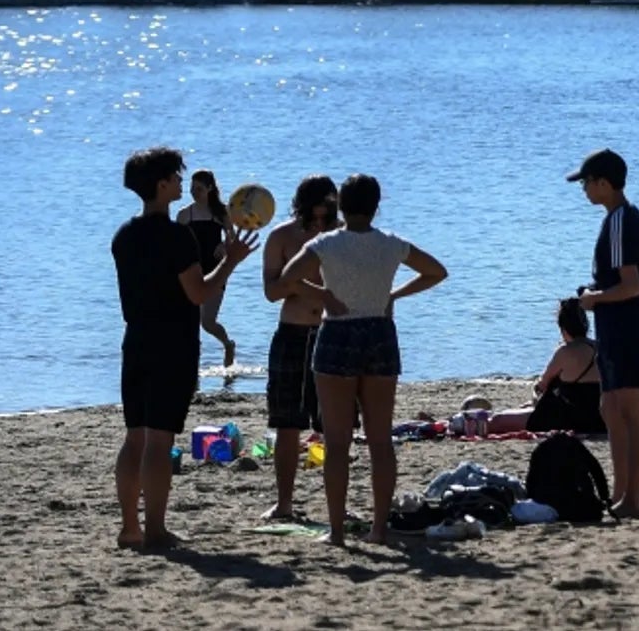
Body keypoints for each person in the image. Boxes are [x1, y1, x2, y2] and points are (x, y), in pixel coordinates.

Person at [278, 174, 448, 546]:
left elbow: (288, 277)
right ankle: (379, 529)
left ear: (341, 205)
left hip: (338, 333)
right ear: (376, 205)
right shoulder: (391, 243)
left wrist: (324, 295)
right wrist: (394, 295)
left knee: (337, 442)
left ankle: (337, 532)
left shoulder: (327, 243)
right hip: (380, 333)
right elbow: (436, 271)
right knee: (380, 440)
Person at [111, 147, 255, 550]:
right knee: (159, 440)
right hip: (171, 342)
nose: (180, 183)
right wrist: (231, 262)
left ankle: (129, 528)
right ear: (161, 184)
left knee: (134, 437)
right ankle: (155, 530)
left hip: (135, 339)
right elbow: (199, 293)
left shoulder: (123, 235)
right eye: (175, 177)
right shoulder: (177, 235)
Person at [571, 149, 639, 520]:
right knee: (609, 406)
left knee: (628, 407)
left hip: (627, 321)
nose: (584, 190)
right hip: (616, 321)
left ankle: (631, 499)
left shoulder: (622, 220)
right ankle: (622, 493)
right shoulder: (616, 219)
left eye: (587, 183)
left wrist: (593, 299)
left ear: (604, 183)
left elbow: (632, 286)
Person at [259, 174, 342, 523]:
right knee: (287, 423)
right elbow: (273, 291)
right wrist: (315, 291)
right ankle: (285, 503)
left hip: (332, 333)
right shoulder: (282, 236)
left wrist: (300, 285)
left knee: (335, 426)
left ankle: (337, 505)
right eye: (316, 213)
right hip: (292, 332)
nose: (321, 220)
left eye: (328, 212)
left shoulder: (343, 235)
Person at [486, 298, 603, 435]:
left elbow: (543, 385)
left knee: (497, 420)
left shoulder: (565, 352)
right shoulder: (601, 348)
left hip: (568, 418)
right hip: (599, 418)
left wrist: (535, 397)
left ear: (563, 328)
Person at [176, 169, 236, 368]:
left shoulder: (221, 212)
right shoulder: (185, 215)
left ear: (210, 188)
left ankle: (228, 344)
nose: (194, 192)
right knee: (189, 324)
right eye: (192, 188)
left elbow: (232, 238)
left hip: (216, 271)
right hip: (190, 272)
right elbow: (175, 244)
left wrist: (224, 245)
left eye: (199, 189)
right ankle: (192, 367)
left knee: (208, 323)